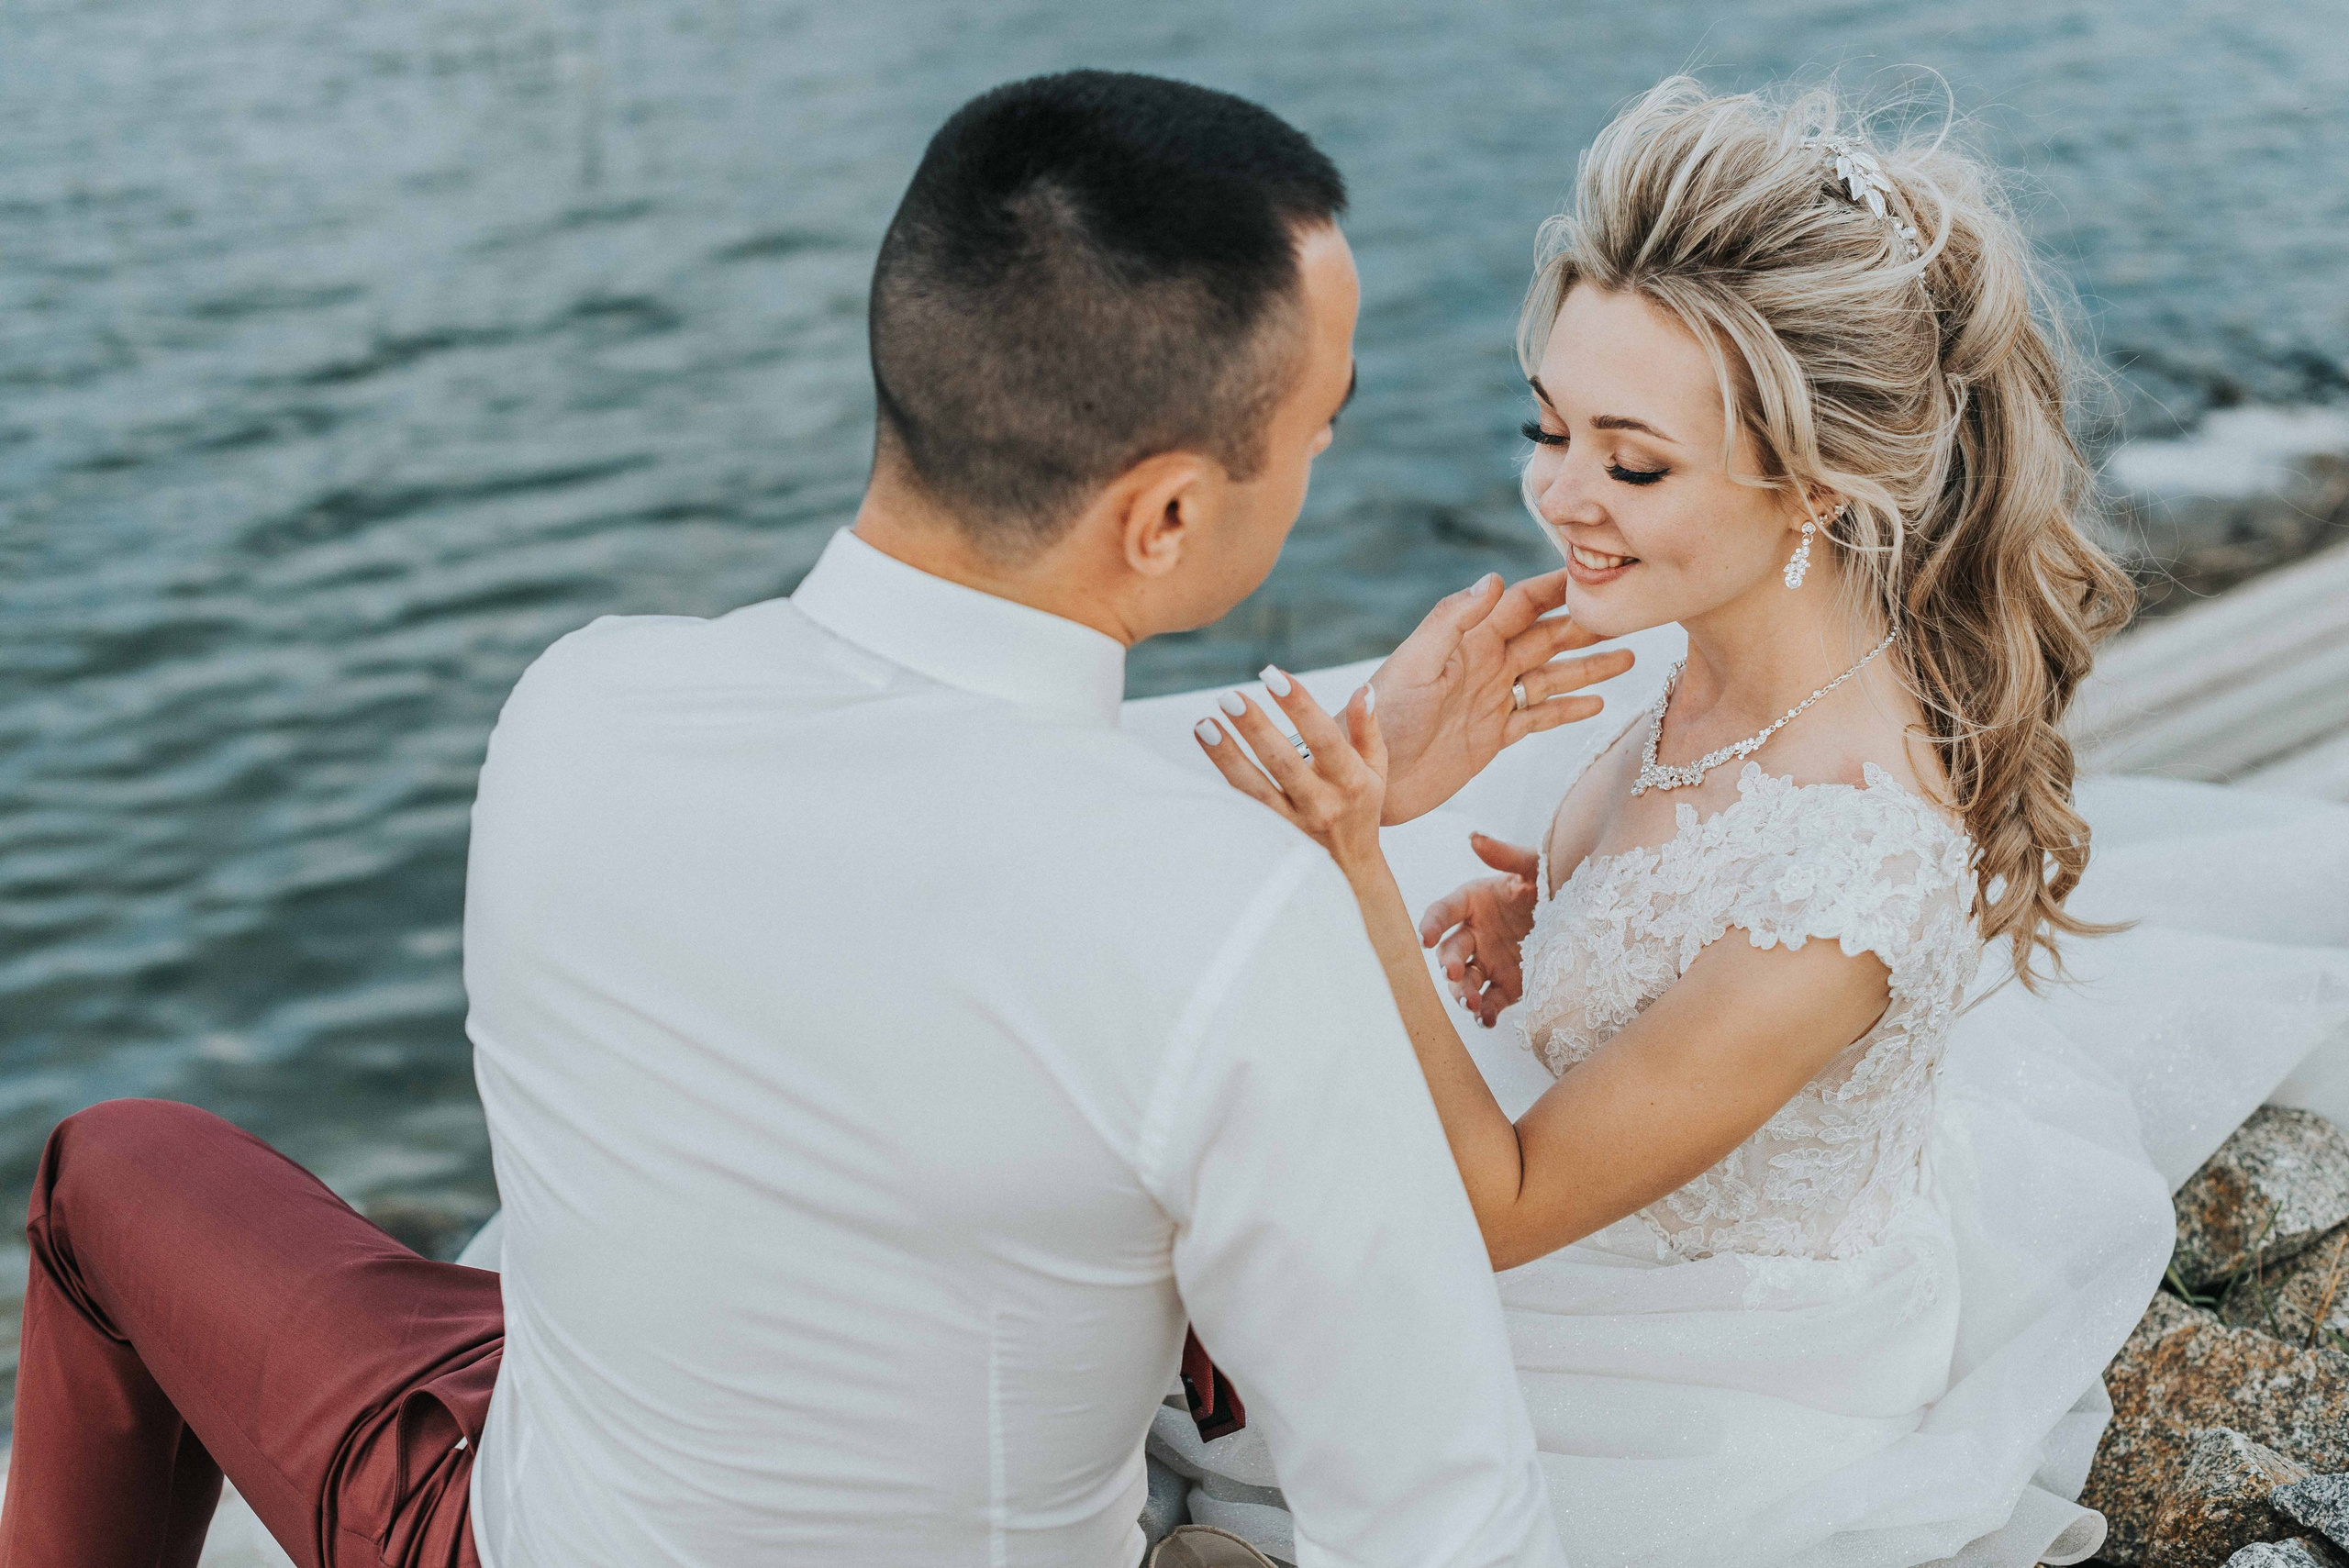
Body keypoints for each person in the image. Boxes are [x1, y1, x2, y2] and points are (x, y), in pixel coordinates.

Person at [0, 72, 1631, 1568]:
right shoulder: (1231, 924)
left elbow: (933, 863)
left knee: (115, 1167)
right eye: (1320, 425)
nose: (1328, 451)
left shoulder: (575, 704)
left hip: (507, 1532)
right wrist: (1326, 833)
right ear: (1168, 515)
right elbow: (1448, 1526)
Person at [1177, 77, 2349, 1567]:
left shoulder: (1847, 877)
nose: (1559, 496)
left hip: (1683, 1363)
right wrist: (1555, 921)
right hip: (1594, 1178)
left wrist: (1349, 859)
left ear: (1814, 488)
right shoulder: (1699, 643)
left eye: (1633, 462)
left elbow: (1505, 1206)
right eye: (1549, 427)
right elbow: (1683, 873)